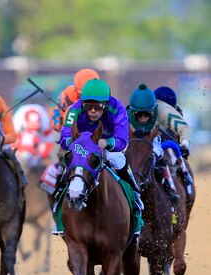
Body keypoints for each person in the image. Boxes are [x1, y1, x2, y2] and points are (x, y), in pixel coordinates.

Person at [59, 78, 143, 234]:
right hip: (82, 148)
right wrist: (80, 142)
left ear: (106, 104)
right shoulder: (74, 110)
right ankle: (60, 210)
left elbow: (122, 142)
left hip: (107, 146)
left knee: (118, 161)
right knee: (66, 168)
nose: (92, 111)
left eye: (97, 107)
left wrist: (107, 142)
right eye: (88, 106)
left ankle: (135, 198)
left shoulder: (117, 109)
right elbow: (64, 139)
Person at [128, 83, 194, 203]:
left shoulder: (163, 110)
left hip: (153, 141)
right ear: (133, 111)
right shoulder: (126, 114)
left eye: (147, 114)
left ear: (153, 109)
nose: (142, 117)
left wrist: (184, 144)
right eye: (138, 114)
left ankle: (170, 189)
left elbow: (184, 128)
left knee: (157, 157)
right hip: (132, 141)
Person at [52, 68, 100, 132]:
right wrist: (63, 122)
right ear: (76, 90)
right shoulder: (68, 95)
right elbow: (56, 119)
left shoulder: (105, 98)